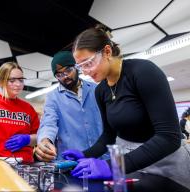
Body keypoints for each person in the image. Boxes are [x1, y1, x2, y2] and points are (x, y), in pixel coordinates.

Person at [62, 24, 190, 191]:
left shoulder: (143, 72)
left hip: (167, 167)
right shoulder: (101, 90)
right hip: (132, 166)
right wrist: (85, 154)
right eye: (80, 67)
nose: (85, 72)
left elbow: (169, 137)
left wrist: (111, 165)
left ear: (107, 52)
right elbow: (109, 136)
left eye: (88, 63)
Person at [35, 51, 105, 161]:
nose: (65, 76)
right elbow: (48, 122)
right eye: (59, 75)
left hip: (101, 159)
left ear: (76, 67)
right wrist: (45, 140)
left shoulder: (96, 90)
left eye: (68, 70)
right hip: (71, 162)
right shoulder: (53, 97)